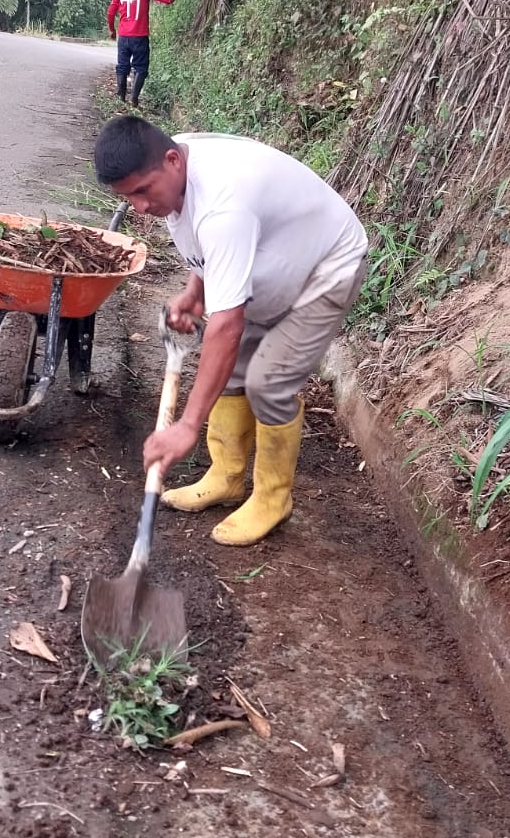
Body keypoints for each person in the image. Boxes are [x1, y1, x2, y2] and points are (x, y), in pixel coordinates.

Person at [94, 117, 369, 547]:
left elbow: (226, 325)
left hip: (328, 266)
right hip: (276, 255)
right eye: (128, 197)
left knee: (268, 382)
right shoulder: (172, 170)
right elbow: (206, 246)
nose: (140, 207)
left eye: (143, 191)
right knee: (232, 368)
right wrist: (195, 290)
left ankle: (273, 498)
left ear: (173, 161)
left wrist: (188, 425)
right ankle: (227, 475)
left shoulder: (222, 203)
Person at [107, 0, 186, 106]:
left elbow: (110, 12)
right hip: (139, 36)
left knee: (122, 66)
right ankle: (134, 98)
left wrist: (112, 30)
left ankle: (121, 98)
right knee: (141, 67)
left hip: (123, 36)